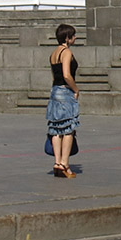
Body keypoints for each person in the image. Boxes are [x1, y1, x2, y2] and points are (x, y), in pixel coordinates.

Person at [47, 23, 80, 178]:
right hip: (65, 91)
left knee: (55, 129)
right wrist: (75, 89)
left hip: (54, 91)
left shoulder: (53, 53)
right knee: (68, 129)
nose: (75, 38)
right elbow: (67, 75)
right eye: (73, 35)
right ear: (67, 38)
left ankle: (57, 161)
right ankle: (65, 164)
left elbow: (55, 75)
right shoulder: (66, 52)